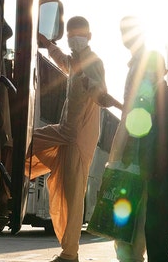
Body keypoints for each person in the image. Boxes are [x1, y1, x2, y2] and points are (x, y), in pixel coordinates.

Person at [32, 16, 117, 262]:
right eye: (69, 34)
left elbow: (101, 92)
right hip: (65, 132)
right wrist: (48, 43)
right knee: (29, 142)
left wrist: (93, 86)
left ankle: (70, 254)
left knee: (72, 195)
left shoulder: (95, 62)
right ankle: (1, 191)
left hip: (79, 138)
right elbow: (62, 60)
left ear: (89, 36)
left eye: (77, 33)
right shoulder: (75, 62)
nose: (72, 37)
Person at [109, 16, 168, 262]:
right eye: (123, 31)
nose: (125, 36)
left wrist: (125, 158)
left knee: (134, 223)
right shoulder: (137, 67)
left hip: (141, 162)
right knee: (134, 223)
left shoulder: (157, 86)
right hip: (138, 161)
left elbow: (142, 123)